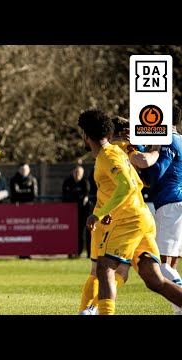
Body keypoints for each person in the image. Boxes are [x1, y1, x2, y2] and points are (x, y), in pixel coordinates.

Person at [78, 108, 182, 315]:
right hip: (141, 217)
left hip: (129, 219)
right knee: (154, 279)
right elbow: (137, 179)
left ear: (85, 135)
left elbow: (126, 186)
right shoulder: (118, 150)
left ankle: (96, 311)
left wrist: (99, 213)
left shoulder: (108, 155)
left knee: (105, 267)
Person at [146, 104, 182, 315]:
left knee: (160, 266)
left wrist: (145, 151)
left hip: (169, 204)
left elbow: (158, 171)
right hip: (178, 203)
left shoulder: (166, 140)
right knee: (172, 266)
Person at [62, 164, 90, 258]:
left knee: (82, 232)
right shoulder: (67, 182)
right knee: (71, 233)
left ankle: (82, 253)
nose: (77, 174)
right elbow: (65, 196)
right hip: (70, 212)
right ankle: (71, 252)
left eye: (79, 173)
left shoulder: (85, 182)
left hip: (83, 212)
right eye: (76, 172)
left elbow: (85, 197)